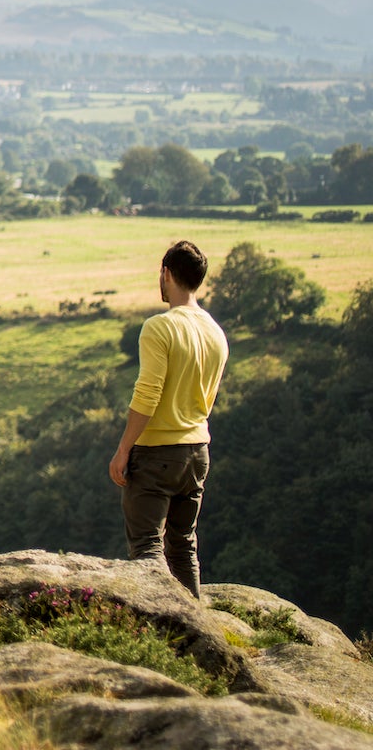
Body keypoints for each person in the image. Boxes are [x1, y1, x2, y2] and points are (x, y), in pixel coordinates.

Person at [107, 240, 227, 598]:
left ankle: (162, 633)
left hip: (158, 452)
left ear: (166, 274)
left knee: (147, 548)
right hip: (198, 452)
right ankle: (197, 631)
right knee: (183, 545)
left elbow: (148, 394)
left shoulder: (160, 328)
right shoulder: (215, 332)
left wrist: (123, 450)